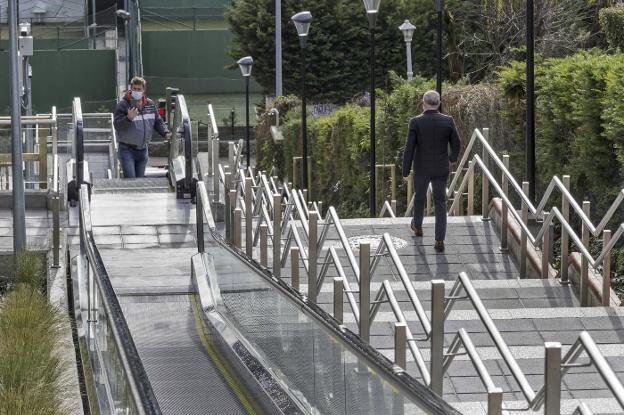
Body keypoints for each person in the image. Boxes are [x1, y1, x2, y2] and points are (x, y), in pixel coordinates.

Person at [401, 90, 461, 252]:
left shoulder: (415, 122)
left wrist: (405, 170)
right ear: (439, 103)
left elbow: (409, 148)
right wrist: (452, 158)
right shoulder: (448, 120)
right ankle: (439, 240)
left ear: (423, 103)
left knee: (419, 197)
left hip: (421, 168)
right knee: (440, 202)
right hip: (441, 167)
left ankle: (418, 227)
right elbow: (457, 143)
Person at [113, 76, 172, 178]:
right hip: (127, 150)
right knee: (131, 181)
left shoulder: (150, 104)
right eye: (134, 89)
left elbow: (158, 121)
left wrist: (166, 133)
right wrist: (128, 118)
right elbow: (117, 125)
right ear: (130, 89)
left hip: (143, 150)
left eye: (139, 89)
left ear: (143, 90)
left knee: (140, 181)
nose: (136, 91)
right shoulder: (123, 105)